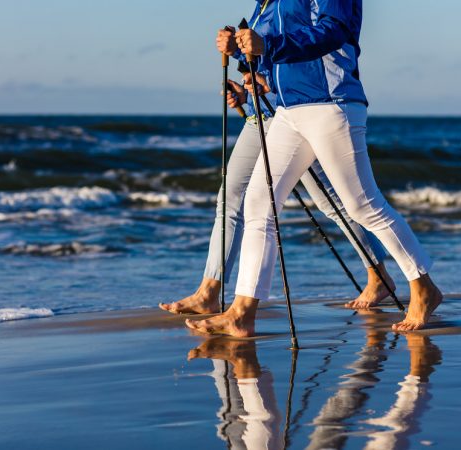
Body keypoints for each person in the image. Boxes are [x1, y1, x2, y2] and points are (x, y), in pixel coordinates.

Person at [185, 0, 443, 336]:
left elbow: (333, 31)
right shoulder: (269, 2)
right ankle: (241, 313)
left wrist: (267, 44)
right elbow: (275, 53)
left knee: (361, 205)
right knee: (259, 204)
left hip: (330, 103)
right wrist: (240, 50)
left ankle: (424, 287)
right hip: (290, 110)